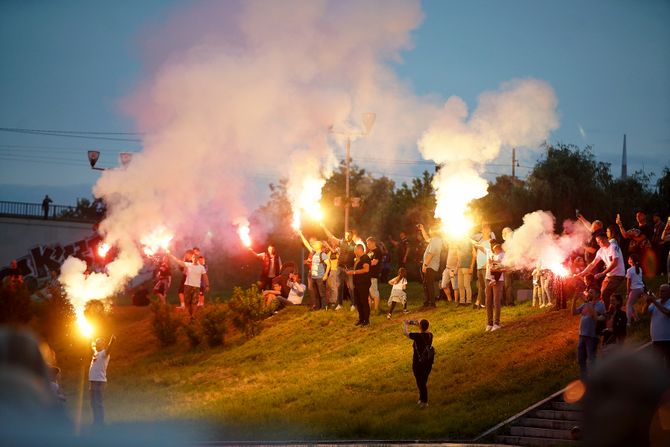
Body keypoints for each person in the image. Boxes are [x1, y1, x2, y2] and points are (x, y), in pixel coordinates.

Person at [576, 233, 625, 309]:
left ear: (605, 239)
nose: (598, 243)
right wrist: (583, 273)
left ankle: (607, 313)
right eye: (597, 241)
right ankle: (610, 309)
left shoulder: (613, 247)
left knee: (606, 293)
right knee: (602, 294)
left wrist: (602, 273)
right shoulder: (600, 251)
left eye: (599, 241)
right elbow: (593, 263)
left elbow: (615, 263)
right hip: (609, 275)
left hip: (618, 275)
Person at [321, 224, 356, 311]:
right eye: (346, 235)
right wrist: (324, 227)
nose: (347, 236)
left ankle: (353, 305)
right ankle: (339, 304)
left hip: (349, 268)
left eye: (348, 235)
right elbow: (332, 237)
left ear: (352, 236)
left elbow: (356, 255)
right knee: (339, 286)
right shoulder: (342, 242)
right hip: (340, 268)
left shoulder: (354, 245)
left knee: (351, 287)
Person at [572, 288, 605, 381]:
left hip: (592, 336)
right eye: (589, 292)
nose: (589, 294)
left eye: (591, 292)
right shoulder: (586, 304)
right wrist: (574, 300)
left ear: (597, 295)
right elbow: (574, 313)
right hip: (582, 335)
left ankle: (595, 379)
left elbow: (593, 316)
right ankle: (584, 380)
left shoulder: (600, 305)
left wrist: (586, 301)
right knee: (581, 359)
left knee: (591, 359)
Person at [403, 319, 433, 408]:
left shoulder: (417, 336)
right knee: (423, 381)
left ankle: (425, 401)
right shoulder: (430, 335)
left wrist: (406, 324)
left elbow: (405, 333)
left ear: (420, 327)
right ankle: (421, 398)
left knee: (420, 382)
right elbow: (424, 329)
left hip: (418, 363)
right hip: (428, 362)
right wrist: (418, 324)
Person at [169, 251, 209, 319]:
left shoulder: (201, 267)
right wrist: (170, 255)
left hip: (196, 287)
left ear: (198, 259)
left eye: (196, 258)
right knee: (188, 302)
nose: (195, 259)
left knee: (194, 302)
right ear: (192, 258)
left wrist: (207, 285)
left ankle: (193, 316)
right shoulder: (189, 264)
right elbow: (179, 262)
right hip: (187, 286)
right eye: (194, 257)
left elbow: (205, 276)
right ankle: (190, 314)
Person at [298, 231, 330, 310]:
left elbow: (328, 264)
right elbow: (306, 243)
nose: (313, 245)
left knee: (321, 293)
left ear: (319, 246)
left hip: (320, 276)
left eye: (315, 244)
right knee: (316, 293)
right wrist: (300, 233)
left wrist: (325, 275)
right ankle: (318, 307)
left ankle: (324, 307)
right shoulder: (313, 252)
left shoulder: (322, 254)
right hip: (314, 276)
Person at [89, 335, 115, 426]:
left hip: (99, 381)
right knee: (93, 403)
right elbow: (92, 345)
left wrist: (112, 341)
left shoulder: (104, 353)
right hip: (92, 381)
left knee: (98, 402)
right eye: (96, 343)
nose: (97, 344)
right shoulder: (96, 353)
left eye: (99, 342)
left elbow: (109, 349)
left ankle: (101, 422)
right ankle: (96, 421)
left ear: (103, 344)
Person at [646, 283, 670, 370]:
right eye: (660, 291)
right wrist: (647, 302)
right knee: (657, 365)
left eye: (663, 291)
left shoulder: (662, 302)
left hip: (668, 339)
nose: (661, 293)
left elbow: (667, 312)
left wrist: (654, 302)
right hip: (656, 340)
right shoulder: (657, 302)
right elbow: (645, 312)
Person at [418, 223, 442, 308]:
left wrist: (425, 265)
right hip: (430, 266)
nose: (429, 231)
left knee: (429, 285)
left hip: (430, 266)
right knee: (426, 284)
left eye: (430, 230)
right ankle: (428, 301)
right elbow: (427, 239)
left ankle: (431, 303)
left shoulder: (435, 241)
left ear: (433, 231)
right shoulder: (435, 240)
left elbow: (431, 254)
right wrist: (422, 229)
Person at [347, 244, 371, 326]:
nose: (354, 251)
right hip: (357, 284)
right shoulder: (358, 259)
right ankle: (361, 319)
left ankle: (366, 320)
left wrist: (353, 272)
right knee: (358, 302)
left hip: (363, 283)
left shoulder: (365, 258)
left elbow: (366, 269)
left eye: (355, 249)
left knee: (364, 301)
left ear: (360, 249)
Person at [472, 223, 495, 309]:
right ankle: (482, 304)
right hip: (479, 267)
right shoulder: (480, 242)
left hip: (486, 267)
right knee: (481, 287)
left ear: (490, 231)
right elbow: (477, 253)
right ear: (482, 231)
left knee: (487, 287)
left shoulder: (491, 242)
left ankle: (489, 304)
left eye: (487, 230)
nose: (486, 231)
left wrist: (487, 264)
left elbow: (493, 254)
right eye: (484, 229)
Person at [485, 241, 505, 331]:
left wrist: (493, 262)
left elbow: (503, 266)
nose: (492, 248)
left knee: (496, 301)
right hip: (488, 278)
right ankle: (489, 323)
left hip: (498, 279)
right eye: (491, 246)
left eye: (494, 246)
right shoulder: (489, 252)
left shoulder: (502, 254)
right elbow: (478, 246)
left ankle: (496, 323)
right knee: (488, 301)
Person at [625, 254, 644, 325]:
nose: (628, 260)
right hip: (641, 288)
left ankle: (628, 322)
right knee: (631, 304)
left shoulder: (629, 270)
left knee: (628, 305)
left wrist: (627, 292)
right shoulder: (640, 269)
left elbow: (628, 282)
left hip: (635, 290)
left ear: (631, 261)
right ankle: (636, 318)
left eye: (629, 259)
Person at [366, 237, 383, 314]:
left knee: (374, 292)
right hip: (367, 274)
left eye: (368, 244)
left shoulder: (377, 251)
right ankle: (369, 309)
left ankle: (376, 309)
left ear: (373, 243)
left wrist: (366, 263)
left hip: (373, 274)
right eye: (367, 244)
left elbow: (374, 262)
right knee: (368, 293)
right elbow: (369, 261)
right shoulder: (369, 252)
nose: (367, 245)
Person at [457, 239, 475, 305]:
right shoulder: (459, 245)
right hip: (460, 268)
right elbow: (458, 257)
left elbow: (474, 256)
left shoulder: (470, 244)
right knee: (460, 285)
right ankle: (462, 301)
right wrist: (457, 266)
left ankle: (468, 301)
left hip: (467, 267)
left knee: (466, 285)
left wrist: (471, 266)